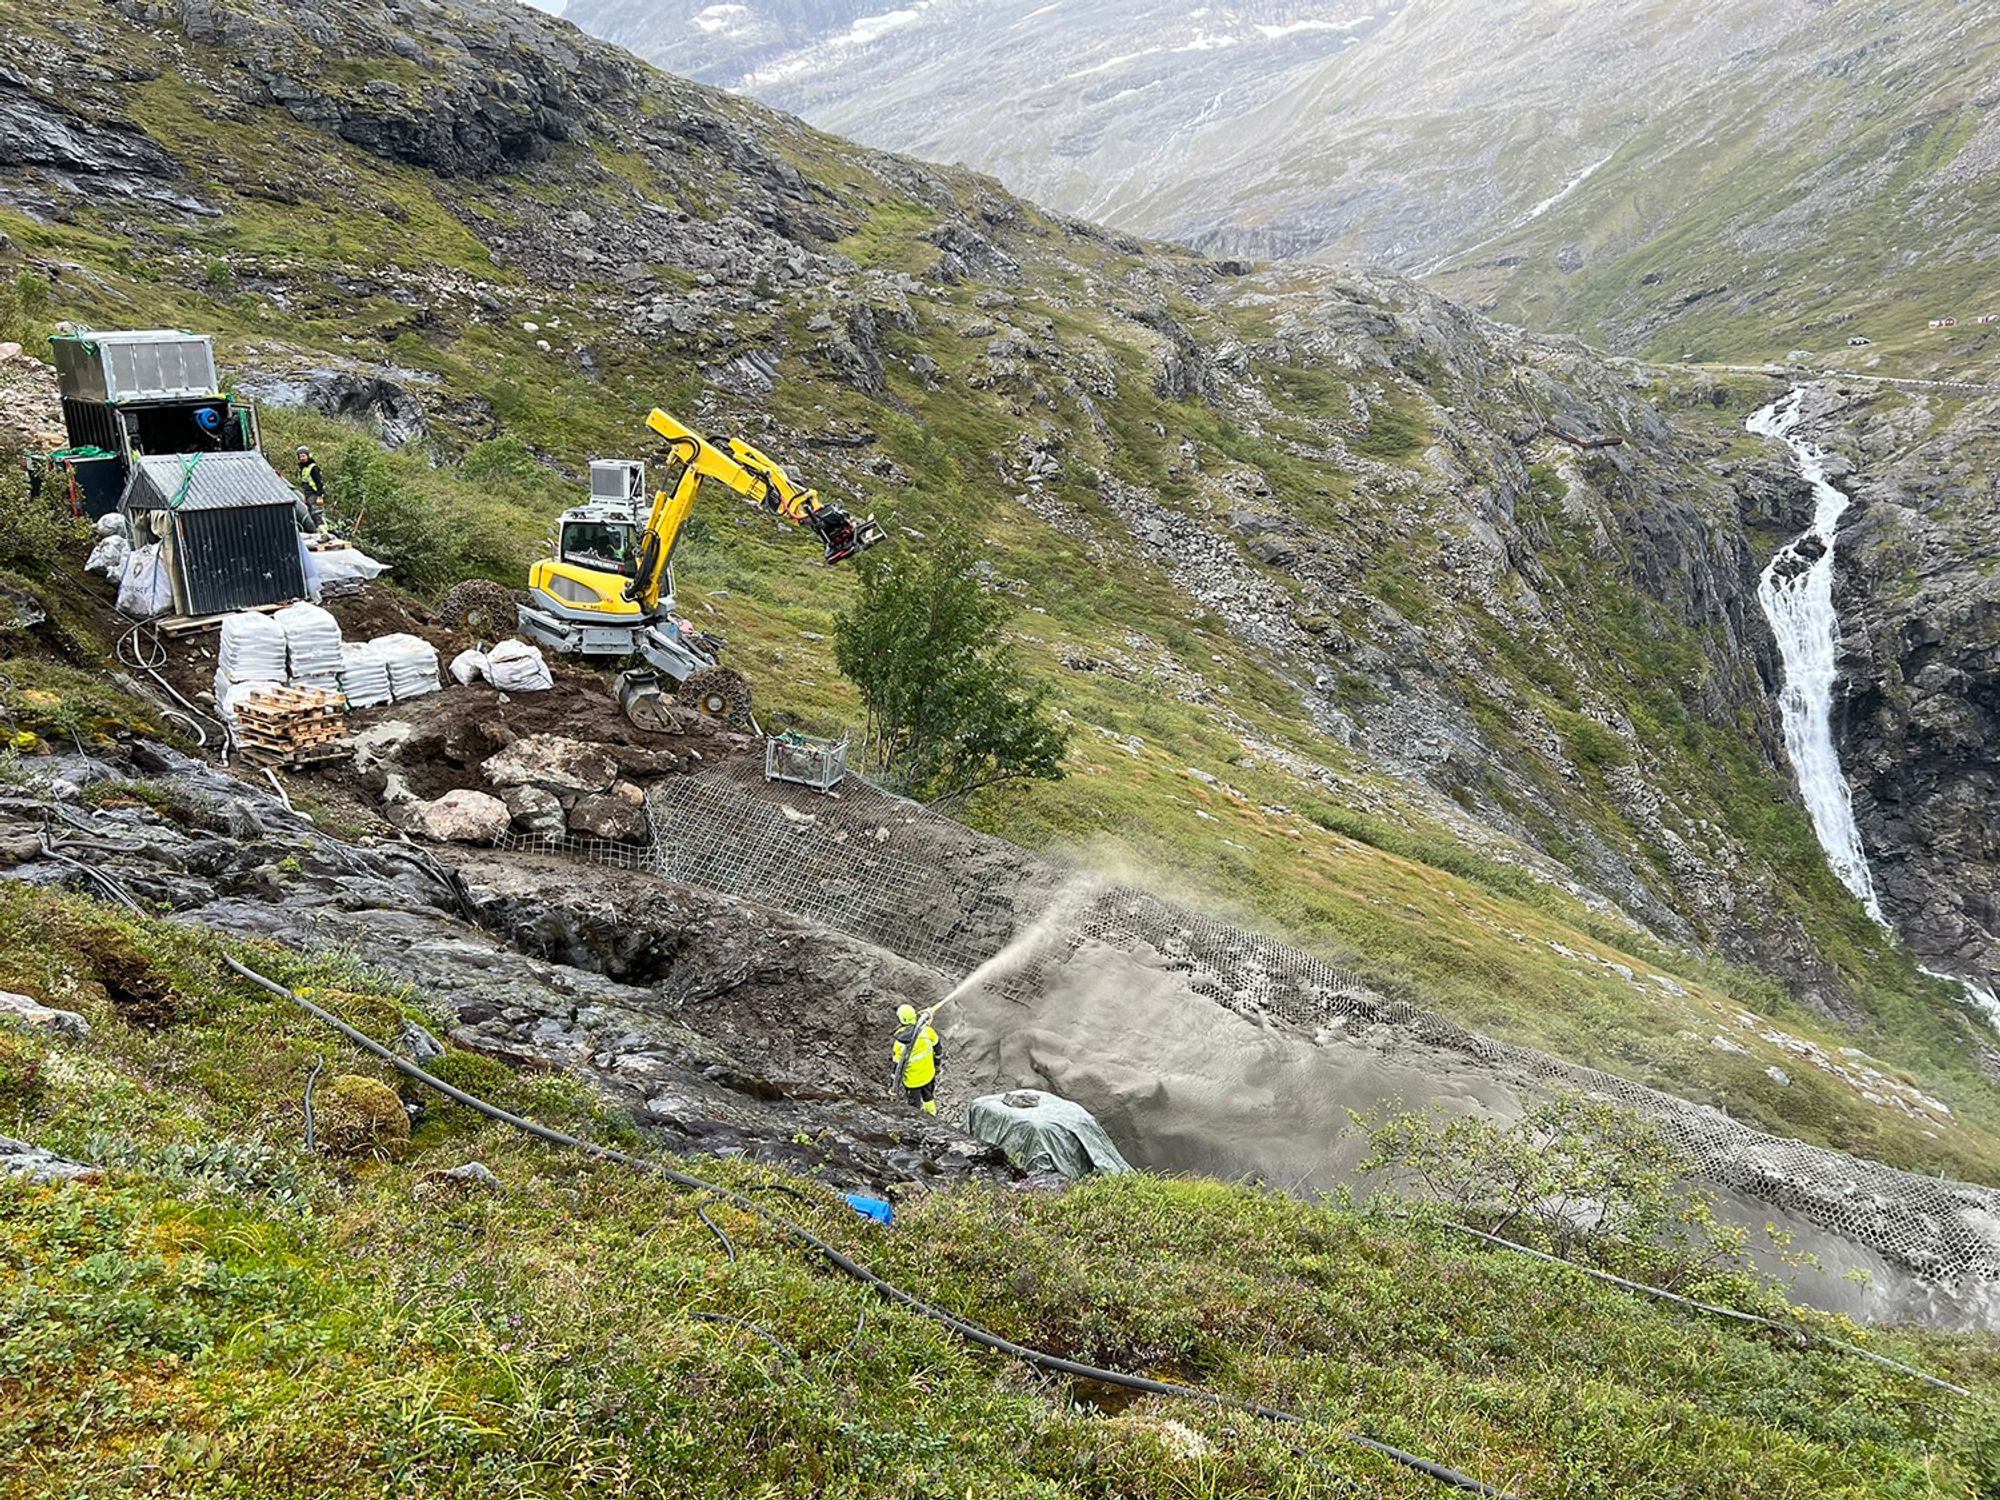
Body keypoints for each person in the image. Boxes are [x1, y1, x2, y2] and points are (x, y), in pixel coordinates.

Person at [891, 1002, 942, 1116]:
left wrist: (893, 1088)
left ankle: (916, 1122)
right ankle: (933, 1117)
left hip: (912, 1082)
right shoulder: (927, 1032)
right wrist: (937, 1064)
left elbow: (896, 1068)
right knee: (929, 1097)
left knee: (913, 1106)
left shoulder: (899, 1044)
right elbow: (938, 1049)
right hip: (928, 1075)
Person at [296, 445, 327, 530]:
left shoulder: (313, 468)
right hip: (308, 494)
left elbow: (319, 482)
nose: (302, 458)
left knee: (316, 513)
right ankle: (319, 530)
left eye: (303, 456)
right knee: (311, 513)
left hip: (314, 493)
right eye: (300, 456)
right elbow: (304, 483)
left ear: (308, 455)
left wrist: (320, 495)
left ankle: (324, 532)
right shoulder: (303, 468)